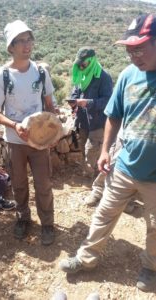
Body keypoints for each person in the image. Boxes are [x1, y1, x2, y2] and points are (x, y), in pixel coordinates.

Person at [59, 13, 156, 292]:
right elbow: (113, 115)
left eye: (139, 47)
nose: (132, 55)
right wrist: (105, 152)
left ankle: (150, 268)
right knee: (103, 214)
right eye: (129, 49)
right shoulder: (128, 75)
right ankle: (87, 259)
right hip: (124, 165)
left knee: (154, 227)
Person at [0, 20, 56, 245]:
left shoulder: (41, 73)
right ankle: (23, 218)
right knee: (19, 183)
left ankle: (47, 224)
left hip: (39, 142)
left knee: (43, 184)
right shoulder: (1, 76)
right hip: (14, 141)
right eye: (21, 41)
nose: (27, 45)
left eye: (29, 40)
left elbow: (50, 106)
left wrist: (52, 132)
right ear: (11, 47)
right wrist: (15, 126)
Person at [70, 47, 113, 179]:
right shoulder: (82, 74)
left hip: (97, 122)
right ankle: (89, 174)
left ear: (92, 60)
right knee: (83, 148)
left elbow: (107, 101)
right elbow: (76, 91)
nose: (81, 67)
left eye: (83, 64)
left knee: (92, 151)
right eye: (79, 64)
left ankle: (92, 179)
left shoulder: (104, 77)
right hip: (82, 120)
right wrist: (73, 100)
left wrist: (88, 103)